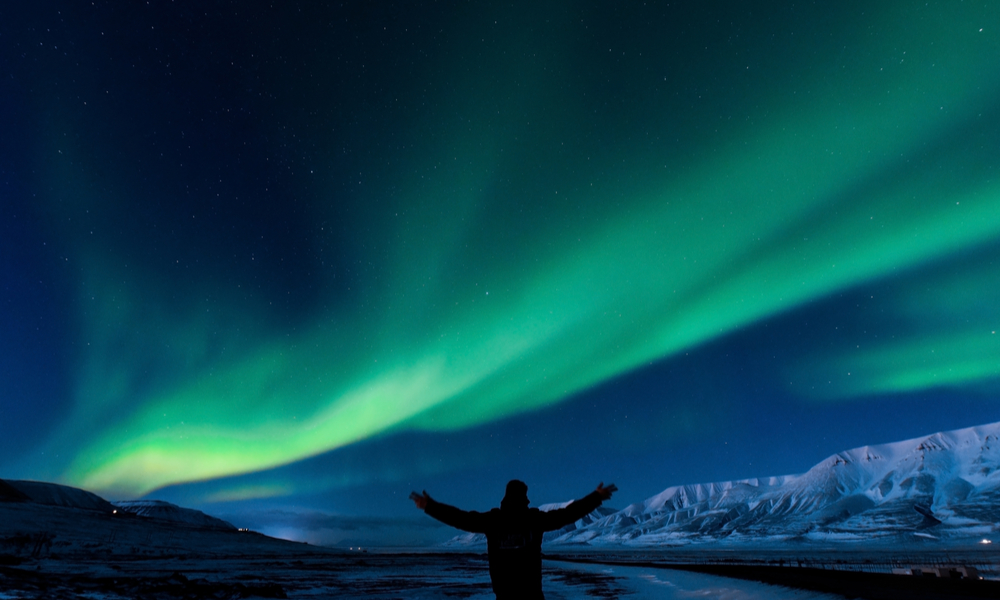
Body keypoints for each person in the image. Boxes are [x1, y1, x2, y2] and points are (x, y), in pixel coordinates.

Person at [411, 480, 616, 599]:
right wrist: (596, 497)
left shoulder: (493, 521)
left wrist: (430, 506)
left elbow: (460, 518)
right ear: (525, 498)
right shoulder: (534, 519)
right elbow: (568, 515)